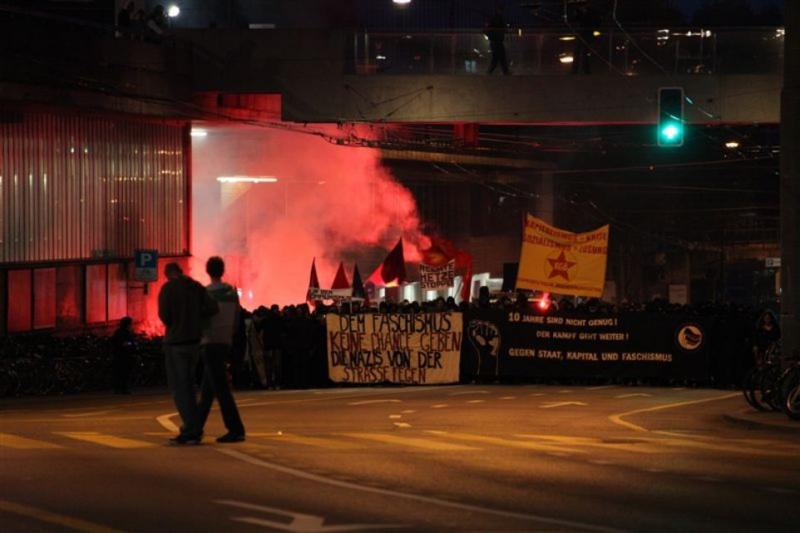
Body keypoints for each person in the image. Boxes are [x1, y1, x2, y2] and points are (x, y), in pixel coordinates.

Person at [158, 262, 219, 445]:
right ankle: (192, 428)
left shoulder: (168, 289)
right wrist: (196, 318)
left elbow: (165, 316)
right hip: (194, 343)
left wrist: (179, 320)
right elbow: (212, 308)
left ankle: (192, 429)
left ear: (168, 274)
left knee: (180, 389)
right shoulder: (196, 287)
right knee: (189, 387)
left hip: (176, 343)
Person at [196, 257, 246, 443]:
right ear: (223, 270)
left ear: (208, 271)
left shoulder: (205, 293)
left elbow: (201, 319)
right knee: (208, 390)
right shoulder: (232, 293)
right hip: (225, 342)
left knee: (221, 389)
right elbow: (237, 318)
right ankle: (195, 428)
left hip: (210, 343)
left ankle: (236, 428)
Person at [110, 316, 135, 394]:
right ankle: (123, 389)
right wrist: (130, 343)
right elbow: (122, 343)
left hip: (121, 355)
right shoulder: (123, 332)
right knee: (124, 372)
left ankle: (119, 388)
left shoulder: (119, 331)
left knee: (120, 373)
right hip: (123, 356)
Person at [485, 6, 510, 75]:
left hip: (495, 41)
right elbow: (504, 29)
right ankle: (505, 72)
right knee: (501, 57)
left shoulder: (494, 19)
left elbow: (487, 30)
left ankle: (490, 72)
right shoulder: (498, 19)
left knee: (497, 57)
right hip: (497, 41)